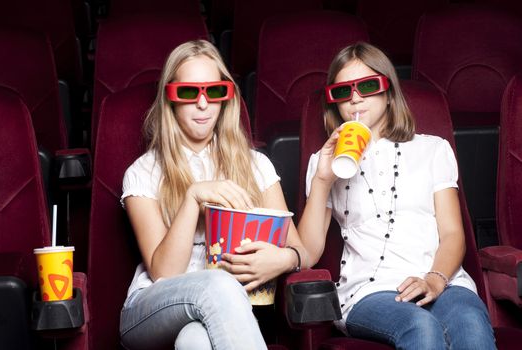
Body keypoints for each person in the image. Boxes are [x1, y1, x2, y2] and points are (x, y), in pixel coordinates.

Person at [297, 42, 496, 349]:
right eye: (342, 91)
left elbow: (453, 233)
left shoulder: (433, 149)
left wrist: (434, 279)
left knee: (469, 323)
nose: (354, 98)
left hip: (443, 280)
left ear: (389, 92)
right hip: (369, 291)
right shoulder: (322, 163)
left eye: (366, 86)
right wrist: (323, 179)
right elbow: (307, 253)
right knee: (420, 326)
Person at [119, 40, 307, 350]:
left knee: (195, 341)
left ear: (226, 97)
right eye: (190, 93)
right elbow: (165, 273)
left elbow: (301, 249)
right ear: (171, 99)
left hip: (224, 310)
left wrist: (283, 259)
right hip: (151, 308)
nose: (203, 105)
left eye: (214, 92)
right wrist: (193, 197)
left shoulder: (255, 165)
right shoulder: (144, 171)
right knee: (218, 283)